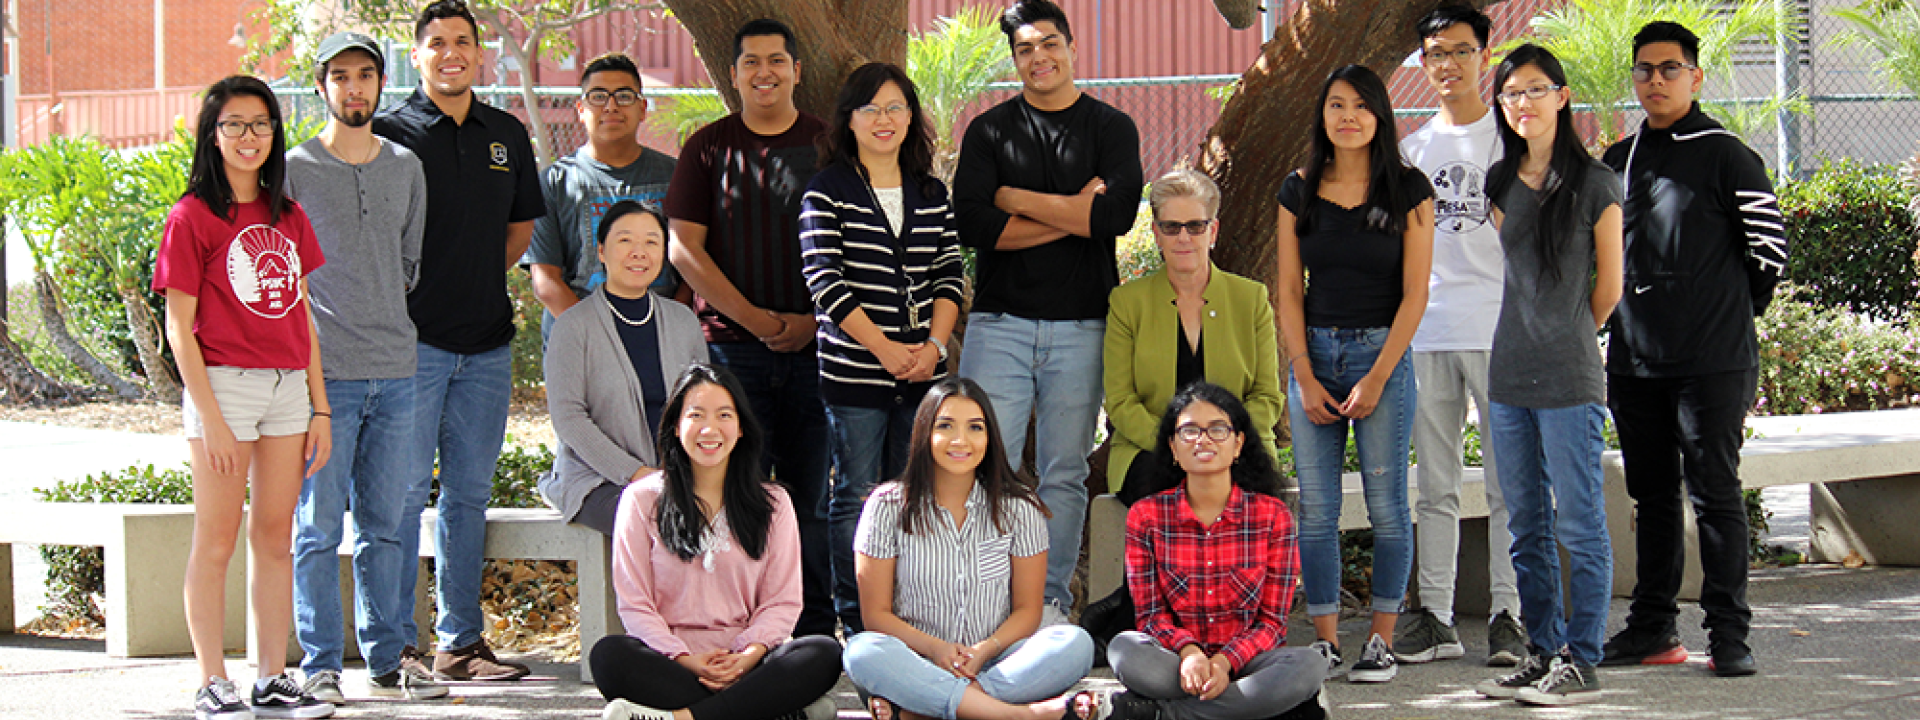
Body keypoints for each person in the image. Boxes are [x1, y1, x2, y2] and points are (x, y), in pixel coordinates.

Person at [1598, 20, 1785, 678]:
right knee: (1650, 498)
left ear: (1695, 76)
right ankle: (1652, 628)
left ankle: (1729, 634)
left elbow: (1769, 252)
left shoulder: (1728, 154)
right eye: (1645, 69)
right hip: (1635, 362)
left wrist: (1727, 314)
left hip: (1713, 360)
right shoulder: (1613, 161)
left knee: (1715, 495)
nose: (1656, 79)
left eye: (1670, 68)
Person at [953, 0, 1144, 623]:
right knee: (985, 465)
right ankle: (986, 602)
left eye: (1049, 44)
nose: (1040, 57)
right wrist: (1072, 212)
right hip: (1000, 323)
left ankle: (1051, 602)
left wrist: (1018, 201)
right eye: (1026, 49)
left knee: (1064, 473)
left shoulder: (1111, 128)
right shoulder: (989, 130)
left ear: (1072, 46)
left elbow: (1114, 219)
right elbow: (976, 225)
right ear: (1015, 60)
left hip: (1083, 325)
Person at [373, 0, 547, 681]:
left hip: (487, 348)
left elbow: (518, 231)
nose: (451, 53)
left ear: (481, 54)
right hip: (409, 349)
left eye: (463, 42)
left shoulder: (505, 132)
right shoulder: (389, 134)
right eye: (437, 43)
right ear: (416, 56)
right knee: (402, 493)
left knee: (467, 497)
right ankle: (394, 649)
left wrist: (468, 276)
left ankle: (459, 645)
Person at [156, 74, 336, 720]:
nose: (248, 136)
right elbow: (179, 327)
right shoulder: (192, 216)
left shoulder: (287, 215)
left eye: (260, 124)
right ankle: (211, 682)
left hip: (289, 389)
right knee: (216, 539)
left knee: (274, 538)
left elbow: (303, 316)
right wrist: (211, 419)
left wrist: (320, 407)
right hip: (223, 388)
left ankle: (270, 679)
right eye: (233, 124)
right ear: (212, 134)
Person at [284, 33, 446, 703]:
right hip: (324, 379)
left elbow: (409, 262)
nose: (354, 88)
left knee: (387, 524)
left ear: (381, 85)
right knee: (317, 527)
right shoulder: (293, 168)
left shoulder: (406, 165)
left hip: (397, 369)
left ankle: (390, 658)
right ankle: (319, 664)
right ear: (322, 86)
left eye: (365, 76)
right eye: (340, 76)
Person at [666, 18, 835, 637]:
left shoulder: (828, 145)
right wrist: (760, 322)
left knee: (808, 498)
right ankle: (738, 621)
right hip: (734, 354)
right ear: (732, 73)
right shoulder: (708, 147)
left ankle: (811, 623)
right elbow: (683, 250)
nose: (764, 72)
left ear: (796, 70)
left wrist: (813, 321)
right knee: (737, 492)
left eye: (776, 60)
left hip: (822, 348)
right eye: (751, 62)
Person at [1469, 44, 1623, 706]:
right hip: (1508, 375)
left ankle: (1582, 656)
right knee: (1525, 523)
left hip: (1569, 377)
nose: (1522, 103)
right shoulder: (1499, 182)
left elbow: (1609, 287)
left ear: (1562, 96)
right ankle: (1541, 649)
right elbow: (1517, 277)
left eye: (1536, 90)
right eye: (1510, 94)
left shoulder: (1595, 184)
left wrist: (1564, 337)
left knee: (1579, 522)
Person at [1275, 64, 1434, 684]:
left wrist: (1378, 377)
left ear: (1380, 116)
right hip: (1314, 356)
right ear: (1322, 115)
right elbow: (1289, 290)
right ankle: (1324, 642)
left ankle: (1380, 643)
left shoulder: (1410, 187)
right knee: (1315, 511)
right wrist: (1304, 374)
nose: (1348, 116)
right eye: (1336, 104)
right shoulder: (1298, 188)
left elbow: (1416, 294)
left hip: (1382, 358)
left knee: (1388, 508)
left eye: (1361, 106)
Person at [799, 62, 966, 633]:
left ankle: (906, 618)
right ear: (849, 120)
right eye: (870, 108)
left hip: (921, 375)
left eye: (896, 107)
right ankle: (858, 620)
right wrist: (886, 350)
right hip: (854, 375)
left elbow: (949, 273)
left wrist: (932, 347)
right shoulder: (827, 192)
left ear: (912, 116)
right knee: (855, 496)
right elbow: (826, 283)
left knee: (909, 498)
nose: (884, 119)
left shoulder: (929, 190)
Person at [591, 363, 843, 720]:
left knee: (822, 652)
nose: (710, 429)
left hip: (749, 662)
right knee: (609, 656)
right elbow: (635, 604)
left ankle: (683, 718)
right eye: (696, 415)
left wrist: (746, 656)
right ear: (676, 426)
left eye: (724, 415)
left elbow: (782, 603)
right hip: (672, 662)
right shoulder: (641, 499)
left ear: (741, 428)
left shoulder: (772, 503)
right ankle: (770, 711)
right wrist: (685, 659)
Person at [1395, 3, 1528, 668]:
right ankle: (1438, 617)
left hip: (1502, 334)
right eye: (1436, 53)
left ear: (1485, 55)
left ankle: (1510, 614)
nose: (1447, 64)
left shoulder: (1514, 141)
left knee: (1510, 484)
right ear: (1423, 62)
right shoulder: (1411, 151)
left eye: (1460, 50)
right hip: (1428, 336)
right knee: (1435, 484)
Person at [843, 378, 1096, 720]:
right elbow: (876, 615)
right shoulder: (886, 506)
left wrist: (982, 651)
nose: (960, 440)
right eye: (945, 426)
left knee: (1075, 644)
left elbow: (1027, 611)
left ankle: (928, 710)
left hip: (999, 661)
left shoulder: (1019, 509)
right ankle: (1020, 715)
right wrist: (937, 650)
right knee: (861, 652)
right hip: (917, 661)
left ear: (989, 437)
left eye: (975, 427)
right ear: (923, 433)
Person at [1101, 382, 1327, 720]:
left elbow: (1272, 623)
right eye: (1189, 431)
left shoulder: (1272, 516)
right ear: (1173, 448)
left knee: (1310, 665)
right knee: (1124, 649)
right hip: (1176, 664)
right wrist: (1190, 654)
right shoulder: (1146, 516)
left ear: (1238, 444)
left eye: (1218, 430)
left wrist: (1224, 663)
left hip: (1250, 664)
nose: (1203, 440)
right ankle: (1246, 710)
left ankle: (1165, 715)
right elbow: (1150, 617)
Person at [1103, 168, 1282, 505]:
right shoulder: (1127, 303)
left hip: (1239, 450)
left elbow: (1267, 397)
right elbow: (1120, 401)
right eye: (1171, 228)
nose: (1183, 238)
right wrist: (1178, 445)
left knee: (1245, 494)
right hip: (1152, 449)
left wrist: (1222, 444)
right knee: (1166, 494)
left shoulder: (1251, 299)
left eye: (1195, 226)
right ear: (1156, 234)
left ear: (1212, 231)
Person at [540, 201, 709, 535]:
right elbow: (569, 419)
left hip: (674, 476)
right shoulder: (573, 326)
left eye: (651, 242)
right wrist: (638, 474)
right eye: (625, 241)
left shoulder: (684, 322)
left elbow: (703, 406)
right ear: (601, 251)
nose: (639, 252)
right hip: (597, 479)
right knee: (660, 520)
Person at [523, 52, 679, 341]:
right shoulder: (554, 182)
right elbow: (546, 281)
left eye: (623, 96)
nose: (611, 106)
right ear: (580, 109)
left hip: (660, 337)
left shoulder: (675, 176)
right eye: (598, 96)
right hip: (579, 339)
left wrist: (668, 327)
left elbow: (690, 267)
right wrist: (603, 337)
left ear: (642, 108)